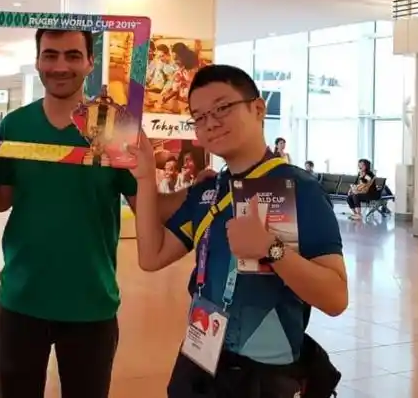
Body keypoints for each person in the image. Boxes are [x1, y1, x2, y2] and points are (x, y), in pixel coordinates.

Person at [0, 28, 191, 398]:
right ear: (37, 61)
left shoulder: (113, 126)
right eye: (50, 55)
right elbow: (2, 199)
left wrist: (199, 193)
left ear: (90, 62)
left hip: (91, 302)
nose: (60, 65)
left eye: (72, 55)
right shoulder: (15, 125)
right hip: (21, 298)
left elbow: (149, 208)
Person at [130, 65, 347, 398]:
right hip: (200, 357)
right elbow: (151, 256)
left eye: (222, 108)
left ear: (258, 109)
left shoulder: (297, 188)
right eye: (199, 116)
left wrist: (272, 250)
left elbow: (335, 298)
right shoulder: (209, 189)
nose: (210, 123)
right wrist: (145, 177)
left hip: (264, 374)